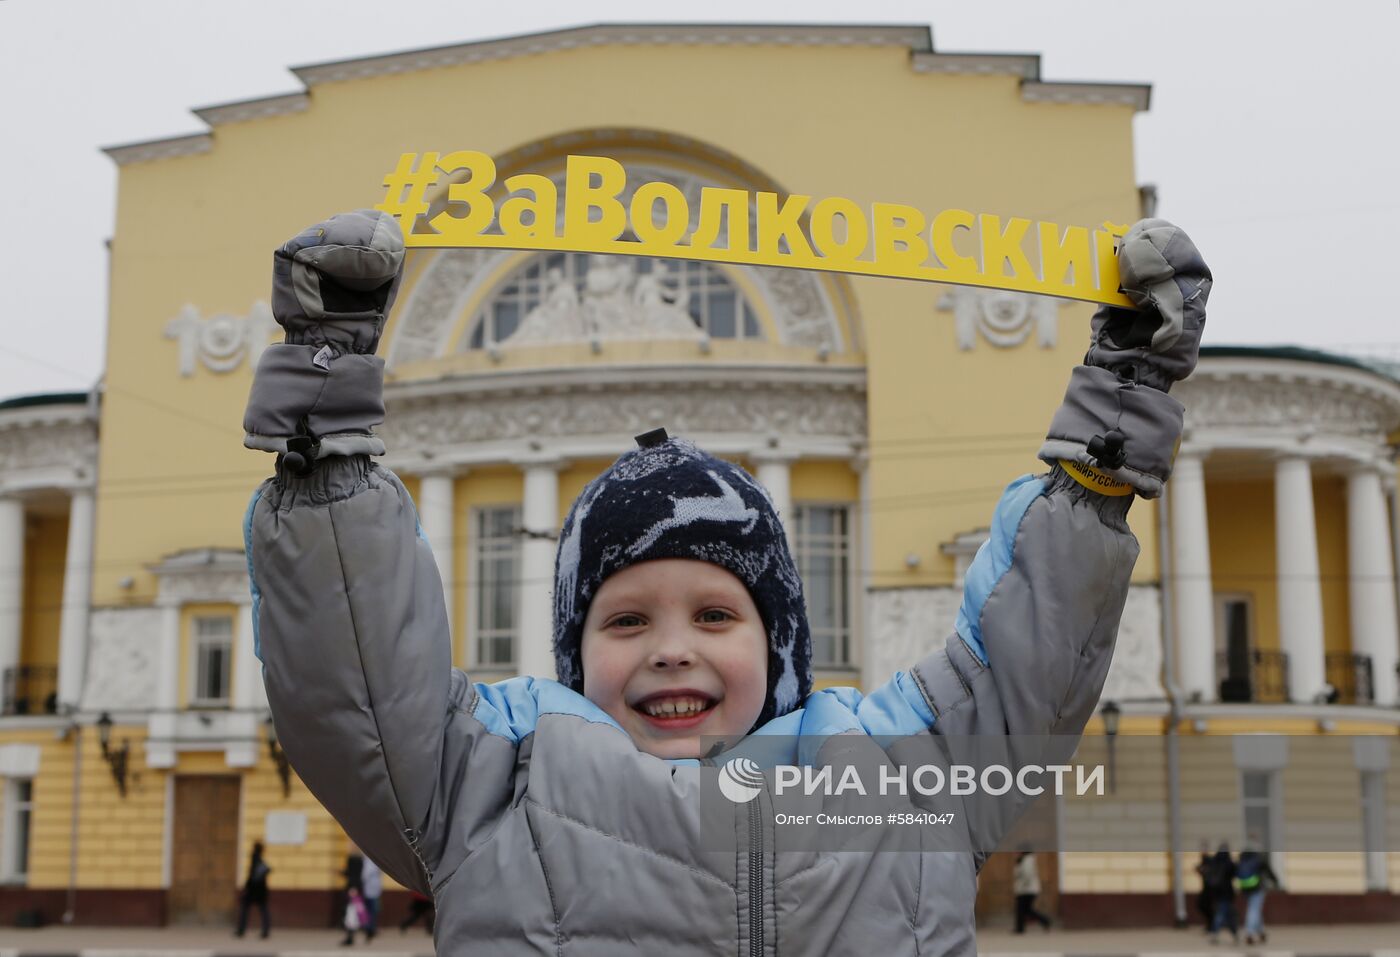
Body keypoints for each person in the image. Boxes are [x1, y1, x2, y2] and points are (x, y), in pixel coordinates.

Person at [243, 209, 1209, 954]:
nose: (673, 647)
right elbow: (356, 678)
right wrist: (326, 435)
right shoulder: (486, 783)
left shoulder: (907, 778)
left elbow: (1032, 652)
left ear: (780, 639)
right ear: (574, 654)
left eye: (715, 612)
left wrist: (1107, 438)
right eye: (624, 620)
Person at [1237, 835, 1281, 944]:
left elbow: (1236, 871)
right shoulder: (1259, 858)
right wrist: (1275, 881)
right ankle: (1250, 933)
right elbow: (1268, 870)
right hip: (1258, 887)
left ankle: (1261, 932)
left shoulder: (1242, 857)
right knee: (1254, 909)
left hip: (1245, 887)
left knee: (1255, 909)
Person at [233, 841, 271, 939]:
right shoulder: (259, 860)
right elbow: (266, 870)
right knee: (263, 910)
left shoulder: (255, 858)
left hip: (253, 889)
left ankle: (241, 930)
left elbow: (251, 875)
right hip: (261, 890)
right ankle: (265, 930)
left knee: (245, 908)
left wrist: (247, 887)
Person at [1206, 842, 1239, 944]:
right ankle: (1215, 933)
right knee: (1224, 913)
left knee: (1227, 913)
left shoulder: (1214, 861)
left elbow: (1209, 875)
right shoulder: (1229, 862)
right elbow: (1234, 874)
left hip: (1217, 892)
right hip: (1227, 892)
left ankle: (1234, 934)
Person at [1012, 850, 1051, 933]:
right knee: (1025, 910)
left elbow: (1027, 875)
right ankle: (1045, 921)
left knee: (1023, 910)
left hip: (1027, 890)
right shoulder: (1024, 859)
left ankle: (1020, 928)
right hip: (1026, 889)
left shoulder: (1027, 860)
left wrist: (1021, 886)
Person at [1194, 839, 1215, 931]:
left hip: (1210, 887)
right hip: (1206, 887)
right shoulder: (1203, 859)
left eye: (1203, 849)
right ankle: (1211, 924)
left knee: (1205, 905)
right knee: (1203, 905)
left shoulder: (1209, 859)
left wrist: (1203, 870)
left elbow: (1210, 871)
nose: (1202, 851)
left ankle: (1212, 924)